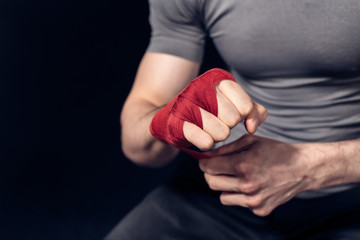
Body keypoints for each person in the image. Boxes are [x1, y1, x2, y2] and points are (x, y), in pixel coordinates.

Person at [105, 0, 360, 239]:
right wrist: (167, 121)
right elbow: (139, 148)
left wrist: (310, 167)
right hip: (232, 186)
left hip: (350, 193)